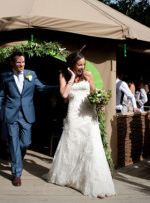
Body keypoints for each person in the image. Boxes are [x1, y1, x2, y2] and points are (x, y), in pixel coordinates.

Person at [45, 49, 116, 198]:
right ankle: (71, 177)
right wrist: (71, 77)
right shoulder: (63, 75)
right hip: (73, 114)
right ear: (72, 64)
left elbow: (94, 93)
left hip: (89, 114)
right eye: (79, 65)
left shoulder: (88, 75)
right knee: (73, 144)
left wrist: (99, 104)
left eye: (83, 64)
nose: (82, 67)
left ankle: (94, 183)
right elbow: (64, 94)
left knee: (91, 147)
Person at [0, 51, 57, 187]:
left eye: (23, 62)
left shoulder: (31, 74)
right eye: (18, 62)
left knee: (26, 143)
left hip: (27, 114)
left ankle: (19, 158)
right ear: (12, 63)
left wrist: (61, 87)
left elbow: (42, 88)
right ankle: (17, 174)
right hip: (11, 114)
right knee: (14, 144)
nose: (21, 65)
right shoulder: (4, 76)